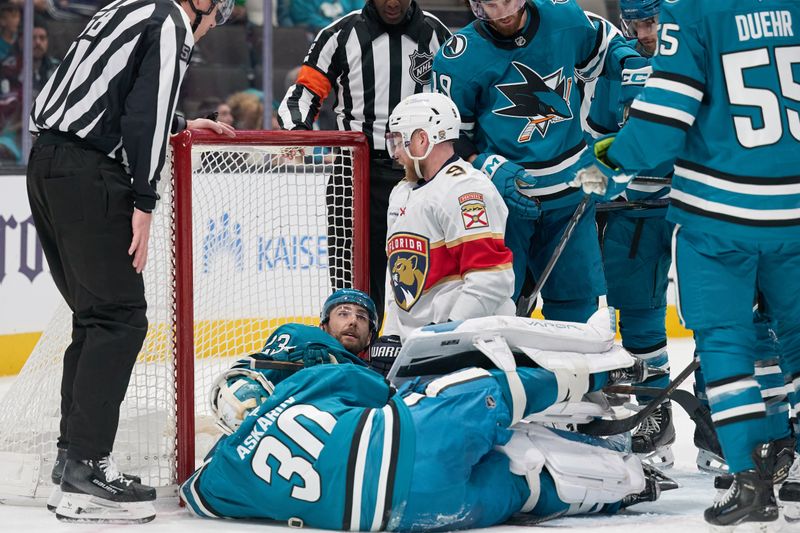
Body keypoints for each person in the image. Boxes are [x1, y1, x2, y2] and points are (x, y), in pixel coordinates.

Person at [570, 0, 800, 528]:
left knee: (725, 343)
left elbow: (661, 124)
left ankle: (750, 480)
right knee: (794, 339)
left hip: (722, 216)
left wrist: (610, 159)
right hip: (794, 207)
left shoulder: (693, 14)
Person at [181, 302, 675, 529]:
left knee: (522, 485)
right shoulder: (306, 367)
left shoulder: (227, 470)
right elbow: (373, 391)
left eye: (360, 316)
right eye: (341, 315)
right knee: (481, 396)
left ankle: (628, 484)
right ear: (323, 325)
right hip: (410, 437)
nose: (351, 322)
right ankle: (595, 379)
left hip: (404, 516)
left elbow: (195, 496)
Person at [26, 0, 236, 523]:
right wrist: (145, 201)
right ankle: (86, 472)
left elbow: (113, 94)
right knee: (120, 318)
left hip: (49, 164)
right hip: (87, 173)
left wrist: (186, 121)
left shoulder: (126, 7)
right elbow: (142, 116)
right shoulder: (172, 22)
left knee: (95, 317)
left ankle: (71, 459)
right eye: (220, 13)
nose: (213, 27)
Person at [431, 0, 641, 328]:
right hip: (502, 201)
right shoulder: (457, 58)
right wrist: (484, 165)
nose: (502, 11)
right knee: (496, 302)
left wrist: (626, 59)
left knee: (576, 306)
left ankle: (569, 379)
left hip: (571, 193)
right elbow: (448, 135)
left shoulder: (563, 17)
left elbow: (604, 45)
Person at [277, 0, 452, 325]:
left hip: (421, 174)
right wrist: (297, 132)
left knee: (427, 278)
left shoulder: (436, 35)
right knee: (352, 288)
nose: (392, 2)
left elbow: (462, 98)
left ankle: (424, 360)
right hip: (354, 174)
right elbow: (303, 94)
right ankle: (354, 363)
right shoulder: (340, 35)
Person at [581, 0, 677, 469]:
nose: (646, 31)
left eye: (653, 20)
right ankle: (654, 421)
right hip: (636, 210)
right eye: (638, 22)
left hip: (702, 207)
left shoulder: (701, 52)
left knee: (727, 322)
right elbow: (598, 136)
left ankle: (720, 432)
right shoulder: (619, 69)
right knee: (640, 317)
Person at [369, 92, 515, 374]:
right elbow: (398, 278)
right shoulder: (401, 192)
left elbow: (491, 279)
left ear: (422, 139)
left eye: (400, 141)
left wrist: (445, 337)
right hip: (421, 349)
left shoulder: (466, 191)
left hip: (471, 348)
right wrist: (392, 334)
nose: (396, 152)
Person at [31, 20, 60, 95]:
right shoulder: (11, 68)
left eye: (42, 38)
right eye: (33, 38)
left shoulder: (58, 68)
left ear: (47, 41)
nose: (38, 42)